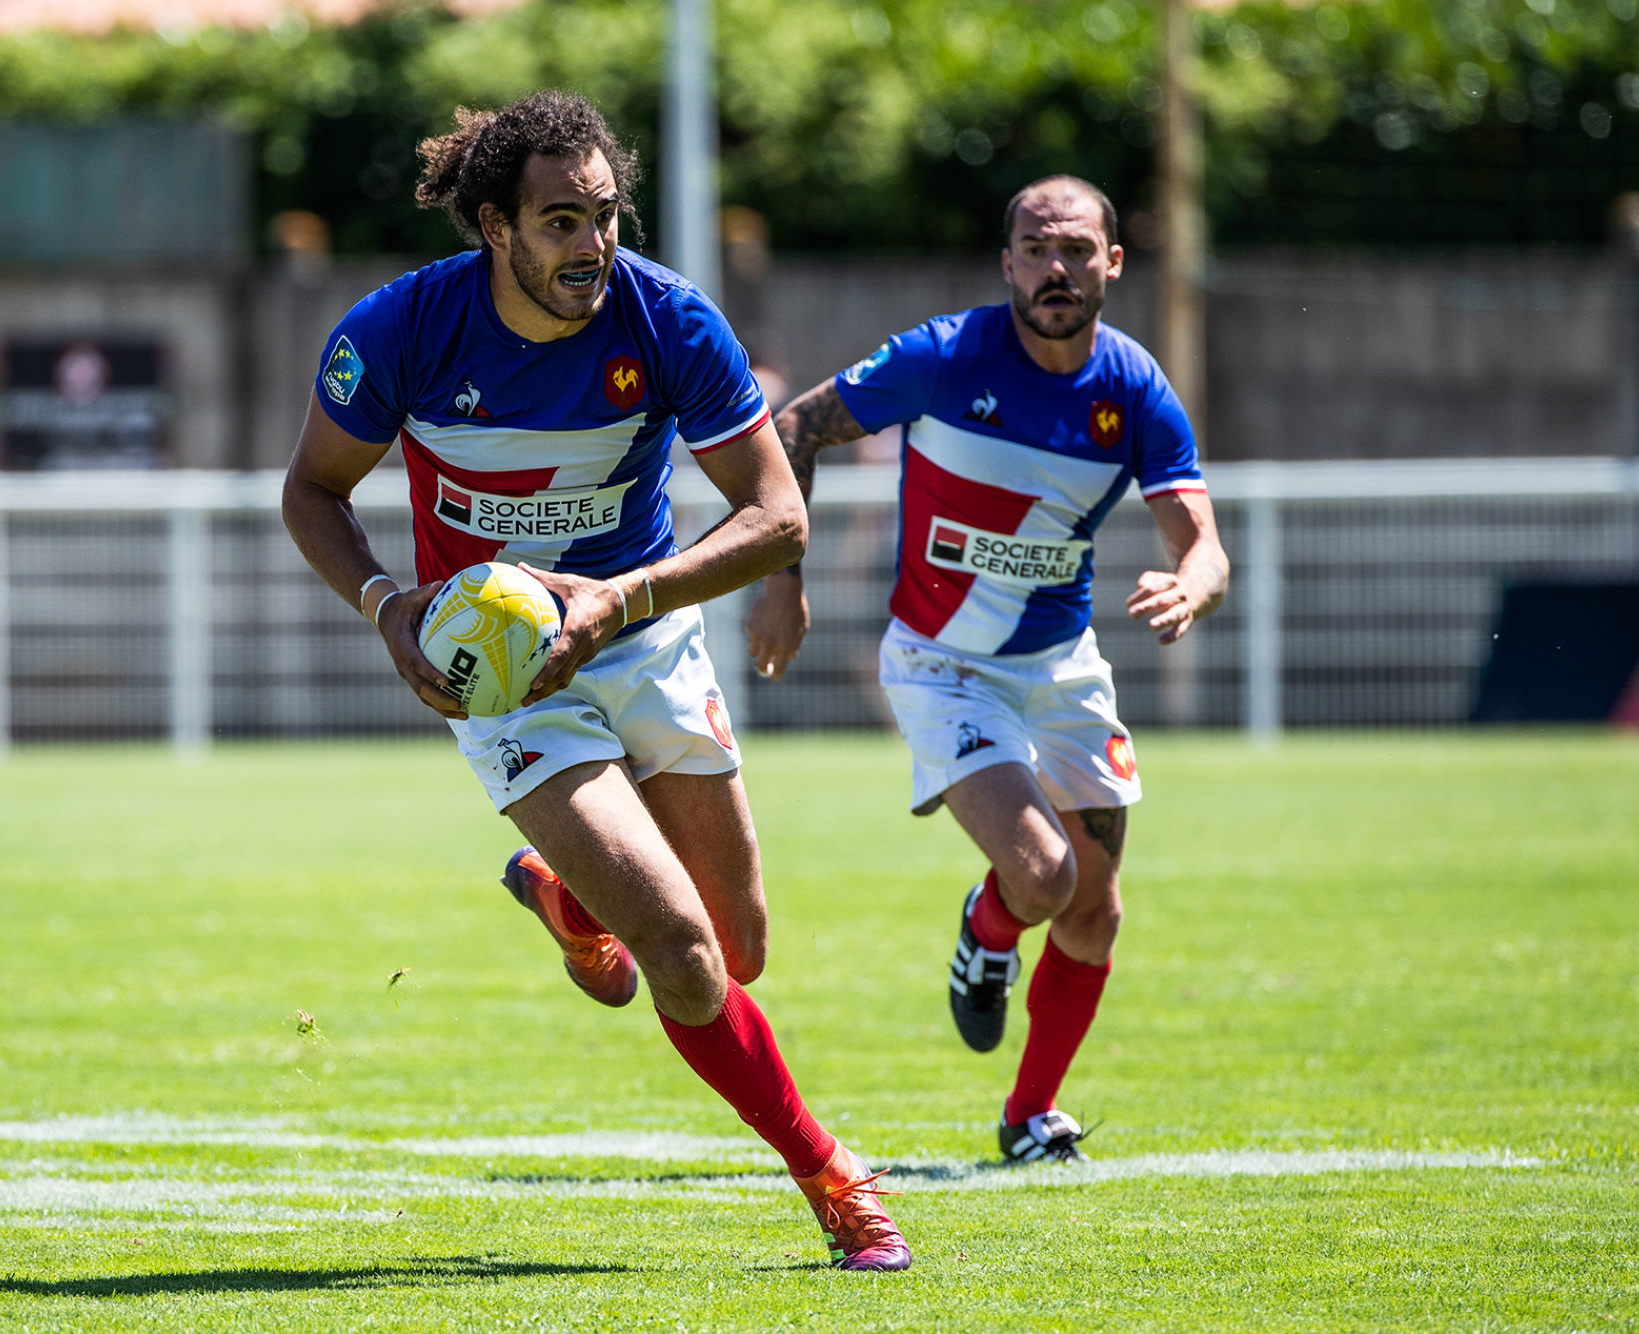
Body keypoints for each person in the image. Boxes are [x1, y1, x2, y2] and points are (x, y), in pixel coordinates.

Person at [280, 91, 909, 1271]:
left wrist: (622, 598)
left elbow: (774, 515)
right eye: (559, 222)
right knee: (676, 947)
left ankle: (565, 897)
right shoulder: (401, 331)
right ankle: (832, 1175)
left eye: (604, 216)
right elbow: (310, 492)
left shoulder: (667, 319)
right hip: (508, 676)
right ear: (492, 228)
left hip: (644, 630)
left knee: (739, 949)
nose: (591, 247)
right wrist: (387, 606)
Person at [746, 175, 1230, 1165]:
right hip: (940, 666)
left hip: (1060, 669)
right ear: (1006, 261)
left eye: (1076, 250)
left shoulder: (1131, 388)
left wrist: (1192, 584)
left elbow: (1204, 544)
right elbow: (794, 426)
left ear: (1111, 263)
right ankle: (988, 923)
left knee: (1094, 906)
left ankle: (1027, 1115)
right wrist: (781, 580)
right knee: (1043, 873)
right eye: (1036, 249)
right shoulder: (942, 356)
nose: (1056, 269)